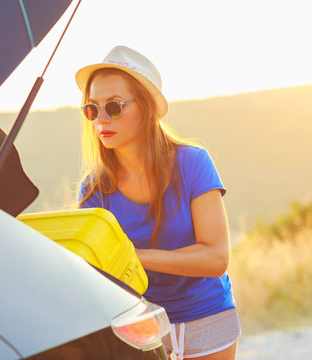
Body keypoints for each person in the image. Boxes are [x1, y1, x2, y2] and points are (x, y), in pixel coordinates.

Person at [75, 45, 241, 360]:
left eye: (113, 106)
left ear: (147, 107)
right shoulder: (94, 189)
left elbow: (216, 257)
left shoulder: (193, 162)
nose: (100, 120)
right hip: (140, 327)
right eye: (91, 109)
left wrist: (133, 257)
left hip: (209, 318)